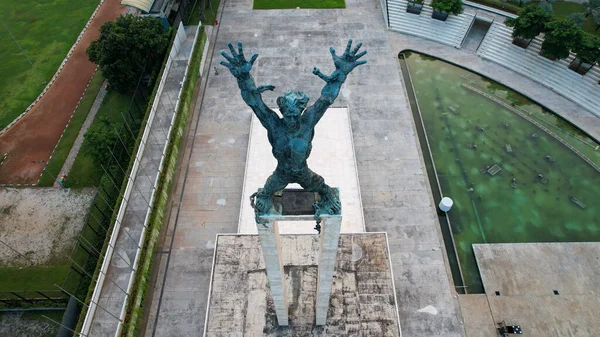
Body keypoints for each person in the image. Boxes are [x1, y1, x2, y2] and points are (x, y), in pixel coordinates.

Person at [220, 39, 366, 215]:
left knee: (322, 186)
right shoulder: (274, 125)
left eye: (294, 114)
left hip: (303, 172)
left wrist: (341, 73)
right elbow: (255, 103)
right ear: (281, 111)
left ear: (301, 111)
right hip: (280, 174)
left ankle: (327, 196)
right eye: (286, 114)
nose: (290, 119)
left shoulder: (308, 122)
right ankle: (266, 196)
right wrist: (243, 78)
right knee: (266, 191)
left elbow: (326, 99)